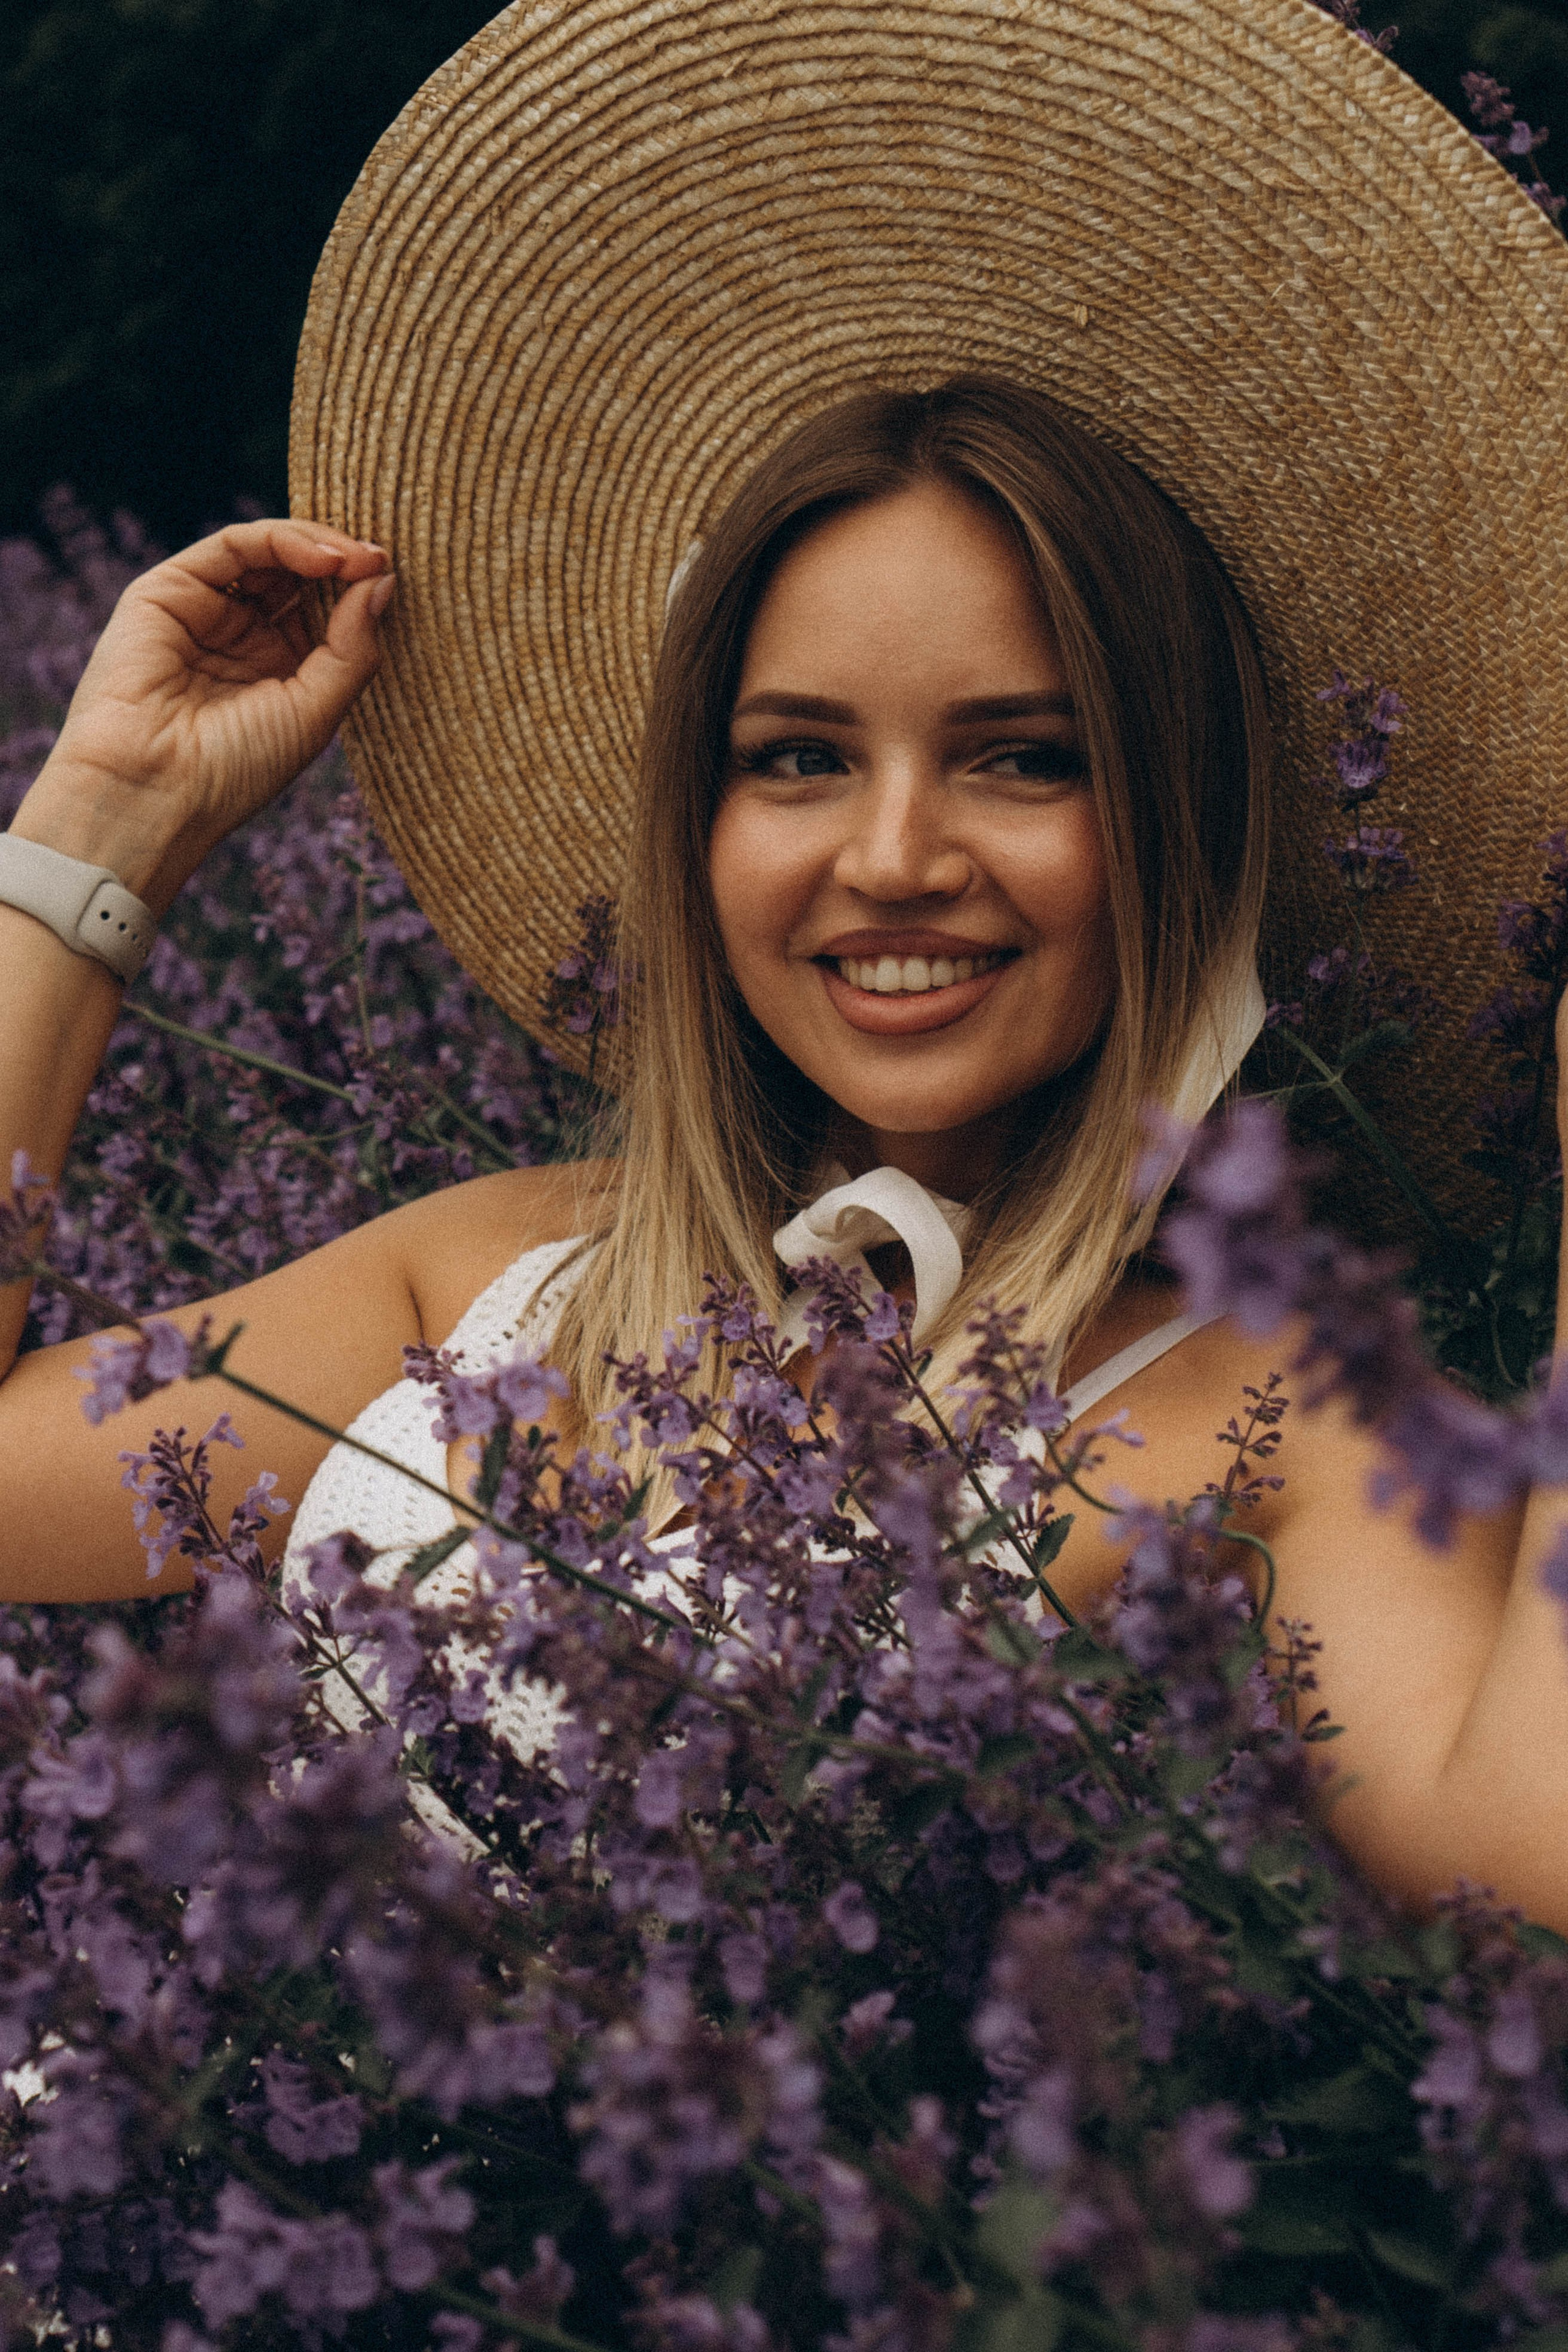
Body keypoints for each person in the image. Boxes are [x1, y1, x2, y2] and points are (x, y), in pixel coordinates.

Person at [1, 0, 1567, 1936]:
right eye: (798, 758)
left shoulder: (1291, 1414)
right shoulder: (484, 1287)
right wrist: (97, 839)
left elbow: (1529, 1877)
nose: (893, 860)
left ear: (1178, 821)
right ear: (697, 830)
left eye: (1024, 754)